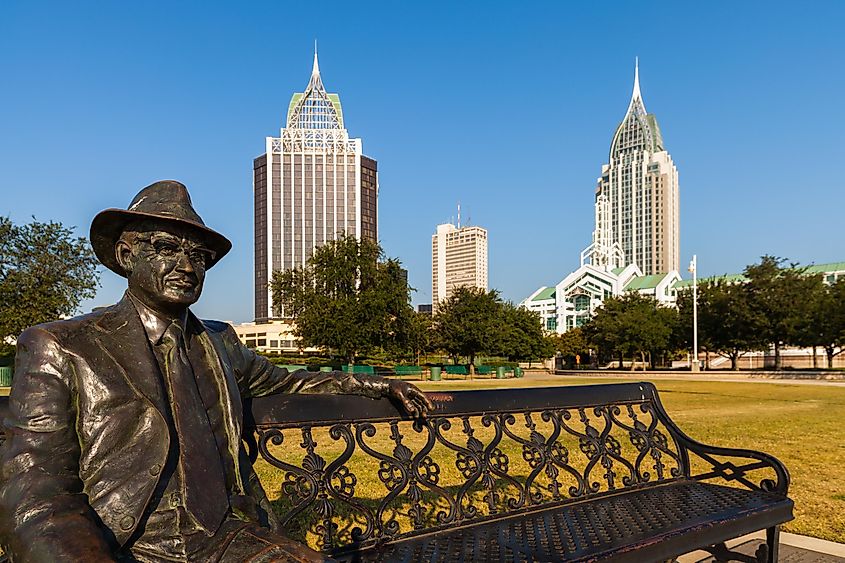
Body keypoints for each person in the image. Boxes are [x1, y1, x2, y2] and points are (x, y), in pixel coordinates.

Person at [0, 180, 432, 562]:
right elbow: (36, 490)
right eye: (167, 248)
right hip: (124, 543)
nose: (187, 266)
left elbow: (292, 380)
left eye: (199, 256)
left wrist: (379, 383)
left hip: (230, 536)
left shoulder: (219, 341)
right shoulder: (61, 345)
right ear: (126, 255)